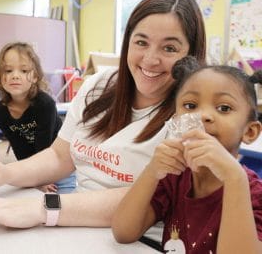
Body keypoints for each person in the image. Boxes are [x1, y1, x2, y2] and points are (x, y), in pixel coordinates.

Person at [0, 0, 206, 242]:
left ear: (191, 54)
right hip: (77, 227)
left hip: (141, 240)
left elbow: (149, 197)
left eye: (170, 48)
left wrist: (45, 208)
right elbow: (60, 155)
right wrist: (7, 173)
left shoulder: (192, 114)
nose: (151, 59)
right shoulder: (100, 85)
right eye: (141, 42)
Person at [111, 58, 262, 253]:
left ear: (250, 132)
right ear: (175, 120)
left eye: (224, 108)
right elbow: (123, 232)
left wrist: (234, 179)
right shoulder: (174, 179)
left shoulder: (254, 195)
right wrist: (152, 170)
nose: (202, 115)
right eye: (190, 106)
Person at [0, 41, 76, 193]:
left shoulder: (44, 104)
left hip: (59, 165)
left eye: (24, 70)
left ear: (35, 76)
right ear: (0, 77)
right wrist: (32, 180)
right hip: (32, 169)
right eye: (8, 71)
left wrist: (42, 179)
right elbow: (19, 147)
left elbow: (45, 146)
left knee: (62, 206)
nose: (15, 75)